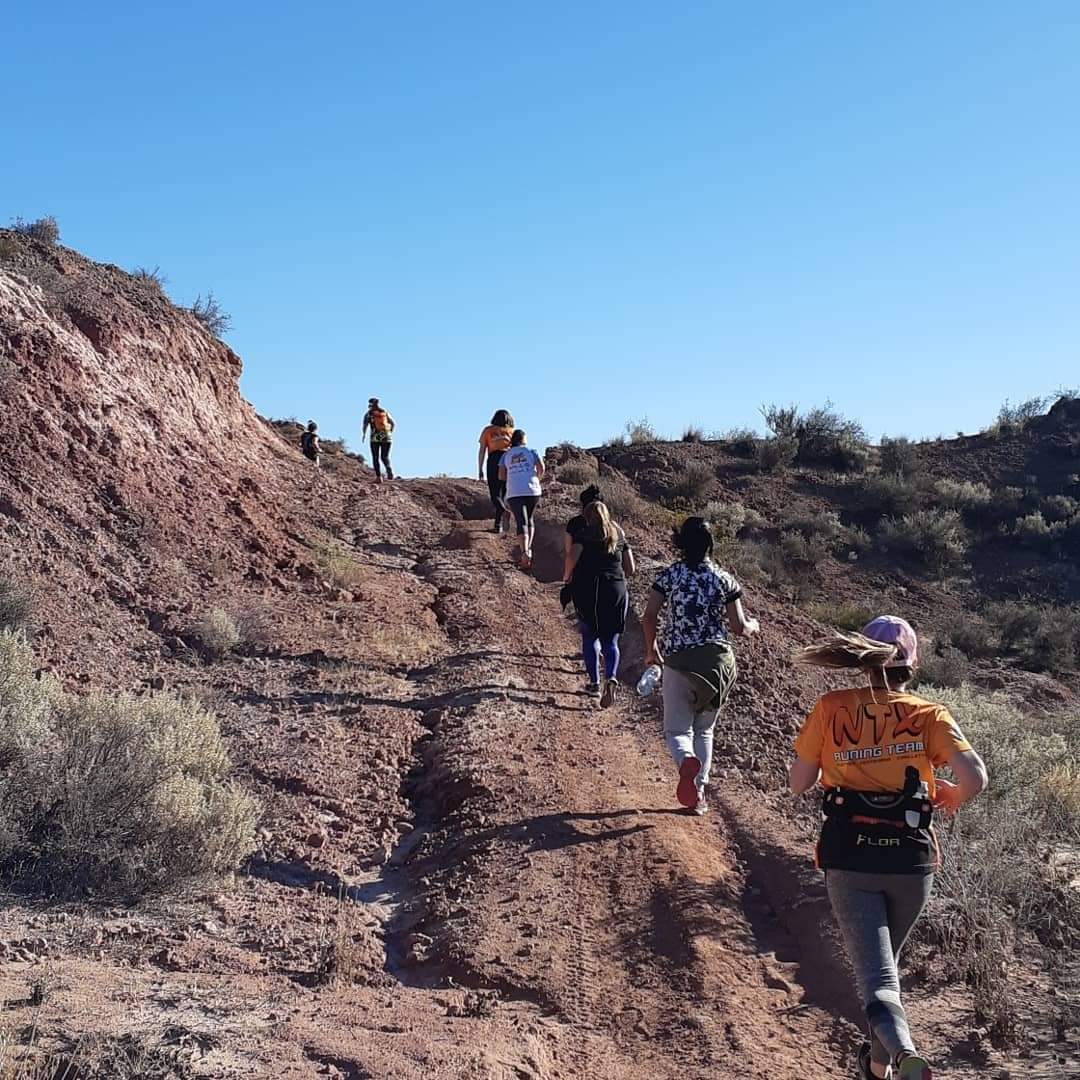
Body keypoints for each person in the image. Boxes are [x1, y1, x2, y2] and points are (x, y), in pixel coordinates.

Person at [789, 616, 988, 1080]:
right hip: (912, 862)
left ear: (861, 659)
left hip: (850, 857)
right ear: (911, 666)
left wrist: (834, 768)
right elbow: (975, 776)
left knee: (878, 979)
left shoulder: (831, 707)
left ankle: (905, 1055)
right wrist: (953, 794)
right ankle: (877, 1067)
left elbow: (798, 783)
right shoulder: (929, 714)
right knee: (885, 972)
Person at [642, 517, 759, 816]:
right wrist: (753, 626)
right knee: (705, 730)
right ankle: (700, 792)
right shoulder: (724, 578)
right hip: (718, 665)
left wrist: (651, 648)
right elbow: (737, 626)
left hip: (679, 662)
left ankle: (686, 763)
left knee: (677, 731)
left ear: (681, 543)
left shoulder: (670, 576)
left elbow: (650, 615)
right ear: (710, 545)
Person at [564, 500, 635, 705]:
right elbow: (631, 569)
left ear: (586, 517)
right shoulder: (618, 536)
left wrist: (567, 576)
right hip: (616, 589)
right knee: (611, 641)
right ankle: (611, 677)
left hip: (589, 590)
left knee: (590, 637)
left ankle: (595, 684)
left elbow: (572, 558)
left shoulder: (583, 535)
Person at [498, 430, 544, 570]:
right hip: (533, 490)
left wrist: (513, 477)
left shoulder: (506, 455)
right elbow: (541, 467)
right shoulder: (531, 451)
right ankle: (528, 549)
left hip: (515, 491)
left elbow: (501, 475)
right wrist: (536, 478)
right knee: (529, 519)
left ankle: (524, 552)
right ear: (523, 439)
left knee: (520, 521)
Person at [477, 410, 515, 533]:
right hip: (509, 460)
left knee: (495, 494)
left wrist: (480, 468)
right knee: (502, 494)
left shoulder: (488, 430)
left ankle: (503, 514)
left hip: (494, 459)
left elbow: (482, 450)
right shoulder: (512, 431)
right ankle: (498, 525)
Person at [362, 397, 396, 482]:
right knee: (385, 456)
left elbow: (365, 425)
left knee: (375, 457)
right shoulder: (384, 412)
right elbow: (393, 423)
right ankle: (389, 469)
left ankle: (378, 477)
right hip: (387, 436)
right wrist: (389, 433)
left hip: (375, 437)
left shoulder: (369, 414)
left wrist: (364, 434)